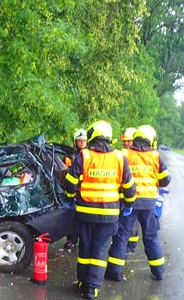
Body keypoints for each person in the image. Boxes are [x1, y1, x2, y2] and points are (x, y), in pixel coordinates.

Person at [63, 120, 136, 299]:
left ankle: (82, 282)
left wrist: (68, 196)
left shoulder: (84, 155)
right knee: (101, 250)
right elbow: (130, 187)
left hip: (85, 213)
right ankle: (92, 288)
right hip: (109, 215)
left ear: (92, 135)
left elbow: (71, 184)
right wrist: (129, 204)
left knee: (85, 249)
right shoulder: (119, 157)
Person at [105, 125, 171, 282]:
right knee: (151, 237)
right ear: (150, 140)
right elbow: (165, 180)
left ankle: (114, 272)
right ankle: (159, 271)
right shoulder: (155, 156)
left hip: (129, 202)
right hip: (149, 204)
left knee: (121, 236)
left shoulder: (125, 154)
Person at [63, 128, 88, 250]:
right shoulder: (70, 157)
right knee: (71, 219)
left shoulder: (91, 156)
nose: (82, 143)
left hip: (86, 193)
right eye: (79, 141)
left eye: (84, 140)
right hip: (73, 192)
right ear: (75, 142)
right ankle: (71, 240)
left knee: (83, 222)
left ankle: (83, 241)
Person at [120, 127, 140, 257]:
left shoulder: (139, 155)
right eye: (125, 141)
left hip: (135, 195)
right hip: (123, 195)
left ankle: (130, 248)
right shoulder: (123, 154)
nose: (126, 143)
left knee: (132, 224)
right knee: (123, 223)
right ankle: (122, 246)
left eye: (129, 141)